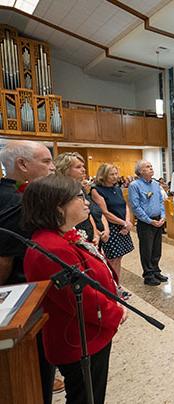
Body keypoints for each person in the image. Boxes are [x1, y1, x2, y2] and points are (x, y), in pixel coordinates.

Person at [22, 175, 127, 404]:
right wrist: (116, 312)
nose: (87, 201)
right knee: (86, 397)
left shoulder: (60, 236)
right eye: (80, 197)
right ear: (57, 206)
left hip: (87, 335)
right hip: (79, 339)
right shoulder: (52, 248)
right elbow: (83, 299)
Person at [0, 140, 59, 402]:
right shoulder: (17, 203)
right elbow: (4, 260)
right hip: (22, 303)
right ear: (23, 165)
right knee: (35, 376)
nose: (52, 167)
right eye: (46, 161)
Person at [91, 164, 134, 293]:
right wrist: (124, 223)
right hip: (110, 228)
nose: (115, 176)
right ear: (103, 175)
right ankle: (110, 288)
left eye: (116, 173)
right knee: (111, 259)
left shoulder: (117, 188)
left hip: (122, 225)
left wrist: (127, 222)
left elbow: (124, 205)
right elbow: (105, 212)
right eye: (112, 174)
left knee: (119, 258)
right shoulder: (96, 190)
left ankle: (117, 285)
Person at [128, 160, 168, 285]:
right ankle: (148, 275)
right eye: (148, 167)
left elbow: (160, 201)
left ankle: (156, 270)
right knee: (147, 249)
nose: (151, 168)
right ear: (140, 171)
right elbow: (135, 207)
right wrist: (150, 221)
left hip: (158, 220)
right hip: (146, 222)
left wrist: (162, 216)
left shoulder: (156, 184)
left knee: (157, 249)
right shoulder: (135, 185)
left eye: (151, 166)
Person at [54, 152, 102, 245]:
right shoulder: (59, 190)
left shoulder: (80, 188)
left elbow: (88, 213)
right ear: (65, 169)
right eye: (78, 167)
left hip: (88, 232)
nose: (83, 170)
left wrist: (96, 233)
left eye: (83, 166)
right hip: (72, 237)